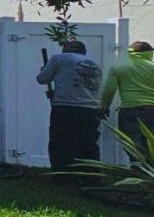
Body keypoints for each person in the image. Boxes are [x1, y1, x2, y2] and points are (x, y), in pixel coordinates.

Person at [37, 39, 102, 168]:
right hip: (90, 109)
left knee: (61, 141)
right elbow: (83, 88)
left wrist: (47, 69)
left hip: (65, 107)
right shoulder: (94, 64)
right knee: (88, 142)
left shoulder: (59, 58)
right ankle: (90, 174)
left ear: (65, 50)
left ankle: (63, 174)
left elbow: (42, 79)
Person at [100, 40, 154, 149]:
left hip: (129, 110)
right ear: (149, 53)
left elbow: (109, 90)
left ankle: (135, 165)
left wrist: (104, 108)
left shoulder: (118, 68)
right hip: (151, 110)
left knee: (133, 145)